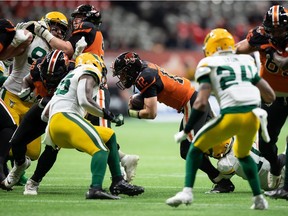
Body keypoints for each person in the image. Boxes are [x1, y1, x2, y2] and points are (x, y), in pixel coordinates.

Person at [165, 28, 275, 210]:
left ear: (210, 47)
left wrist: (187, 129)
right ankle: (258, 199)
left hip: (232, 115)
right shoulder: (246, 60)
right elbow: (269, 95)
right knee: (244, 155)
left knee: (194, 149)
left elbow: (200, 103)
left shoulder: (208, 63)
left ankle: (187, 192)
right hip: (254, 118)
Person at [33, 4, 140, 184]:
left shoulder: (88, 28)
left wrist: (44, 33)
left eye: (79, 16)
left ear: (89, 18)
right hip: (81, 84)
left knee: (102, 135)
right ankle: (122, 162)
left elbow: (66, 49)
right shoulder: (93, 32)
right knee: (89, 136)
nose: (75, 20)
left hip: (91, 84)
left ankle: (119, 176)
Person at [111, 51, 235, 193]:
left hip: (192, 103)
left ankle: (230, 165)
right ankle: (221, 179)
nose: (122, 77)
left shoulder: (145, 77)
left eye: (122, 73)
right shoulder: (145, 68)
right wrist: (139, 98)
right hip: (192, 102)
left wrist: (129, 112)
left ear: (130, 69)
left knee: (193, 149)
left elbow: (151, 113)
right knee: (186, 151)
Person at [40, 52, 143, 199]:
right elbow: (84, 100)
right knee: (100, 149)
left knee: (109, 136)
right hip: (67, 118)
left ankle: (118, 181)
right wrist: (109, 115)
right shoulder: (89, 69)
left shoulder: (70, 77)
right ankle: (95, 189)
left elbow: (44, 115)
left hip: (55, 126)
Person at [236, 4, 288, 199]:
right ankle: (277, 165)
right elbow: (240, 49)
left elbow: (283, 62)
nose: (276, 32)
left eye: (281, 28)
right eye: (273, 29)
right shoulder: (260, 36)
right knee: (266, 146)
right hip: (272, 96)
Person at [1, 49, 70, 191]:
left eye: (54, 77)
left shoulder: (73, 73)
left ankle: (34, 181)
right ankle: (20, 165)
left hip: (62, 110)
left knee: (52, 146)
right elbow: (27, 80)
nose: (50, 80)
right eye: (47, 75)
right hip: (42, 105)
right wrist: (24, 90)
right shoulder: (38, 67)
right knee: (16, 140)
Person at [210, 137, 286, 191]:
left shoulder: (225, 164)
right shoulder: (241, 134)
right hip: (279, 167)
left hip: (272, 183)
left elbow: (222, 178)